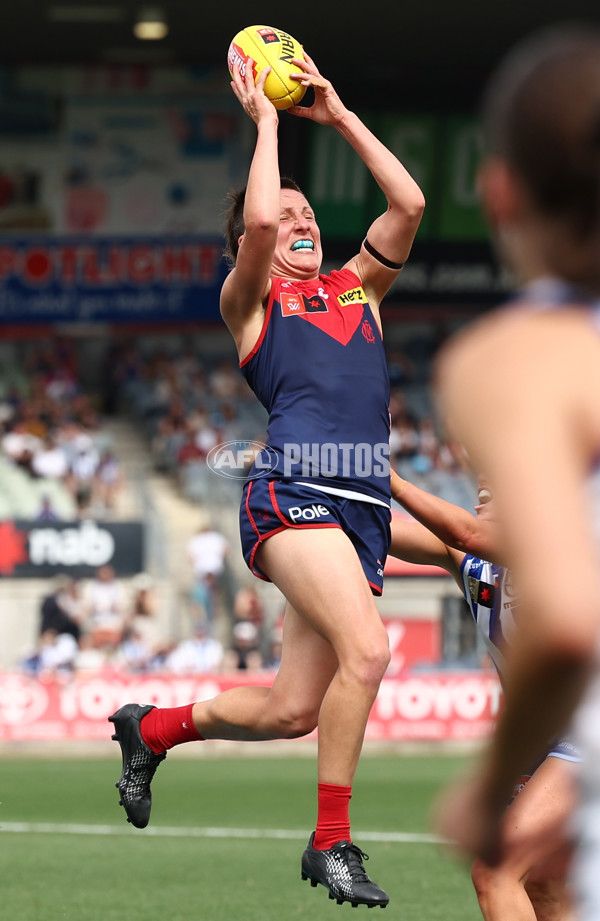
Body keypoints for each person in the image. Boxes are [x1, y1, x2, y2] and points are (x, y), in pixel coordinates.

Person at [109, 48, 424, 908]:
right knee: (369, 650)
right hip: (292, 493)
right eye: (285, 212)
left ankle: (154, 729)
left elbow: (410, 202)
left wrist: (341, 115)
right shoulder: (250, 303)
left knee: (293, 710)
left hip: (355, 508)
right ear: (252, 238)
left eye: (308, 207)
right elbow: (254, 228)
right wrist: (269, 121)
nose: (299, 216)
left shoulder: (357, 289)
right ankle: (333, 843)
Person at [427, 25, 600, 921]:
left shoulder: (518, 358)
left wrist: (484, 782)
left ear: (498, 195)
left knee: (501, 865)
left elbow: (568, 624)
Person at [390, 469, 578, 921]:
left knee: (495, 871)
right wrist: (312, 484)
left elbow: (464, 531)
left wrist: (387, 477)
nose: (484, 485)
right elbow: (373, 527)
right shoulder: (472, 563)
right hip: (537, 744)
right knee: (542, 884)